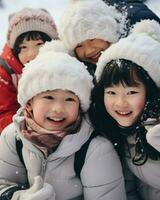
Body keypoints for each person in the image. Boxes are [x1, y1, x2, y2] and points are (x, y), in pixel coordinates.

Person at [0, 44, 126, 200]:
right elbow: (3, 183)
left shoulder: (95, 149)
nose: (58, 109)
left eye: (69, 99)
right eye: (49, 97)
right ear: (30, 102)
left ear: (80, 106)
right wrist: (18, 197)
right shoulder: (13, 137)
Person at [89, 19, 160, 200]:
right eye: (112, 92)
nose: (120, 103)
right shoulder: (118, 131)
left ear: (151, 92)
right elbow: (130, 188)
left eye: (131, 92)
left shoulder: (156, 130)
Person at [58, 0, 160, 75]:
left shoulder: (137, 28)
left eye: (92, 39)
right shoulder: (83, 69)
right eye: (79, 46)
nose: (89, 51)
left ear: (107, 31)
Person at [0, 7, 58, 133]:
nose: (32, 54)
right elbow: (4, 113)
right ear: (15, 50)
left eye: (39, 44)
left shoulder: (61, 64)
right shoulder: (6, 71)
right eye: (24, 47)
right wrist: (28, 125)